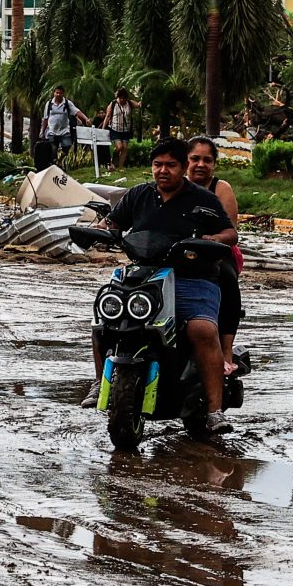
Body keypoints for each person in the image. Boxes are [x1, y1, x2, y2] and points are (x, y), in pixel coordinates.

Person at [88, 141, 240, 433]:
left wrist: (213, 240)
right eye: (158, 164)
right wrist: (100, 232)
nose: (163, 170)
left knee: (202, 329)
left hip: (193, 278)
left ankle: (214, 411)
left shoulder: (202, 199)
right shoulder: (138, 195)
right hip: (143, 275)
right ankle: (98, 383)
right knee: (102, 322)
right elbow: (113, 222)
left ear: (182, 168)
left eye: (170, 165)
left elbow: (229, 232)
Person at [187, 136, 245, 382]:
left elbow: (230, 231)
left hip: (216, 252)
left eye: (207, 160)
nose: (201, 164)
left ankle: (227, 353)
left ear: (214, 165)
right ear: (185, 161)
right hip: (175, 251)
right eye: (195, 158)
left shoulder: (221, 189)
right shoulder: (172, 184)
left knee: (227, 279)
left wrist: (214, 239)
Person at [36, 88, 82, 173]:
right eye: (56, 93)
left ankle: (60, 161)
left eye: (60, 93)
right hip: (52, 131)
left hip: (64, 130)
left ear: (63, 94)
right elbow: (45, 118)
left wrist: (85, 118)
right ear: (54, 93)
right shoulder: (49, 104)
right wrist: (42, 132)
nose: (58, 95)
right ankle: (55, 167)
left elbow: (77, 112)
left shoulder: (67, 103)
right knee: (53, 150)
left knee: (67, 146)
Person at [104, 89, 137, 168]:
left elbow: (138, 105)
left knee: (125, 148)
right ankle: (114, 158)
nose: (122, 100)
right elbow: (108, 116)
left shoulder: (129, 103)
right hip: (115, 129)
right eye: (120, 98)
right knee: (119, 147)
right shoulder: (113, 104)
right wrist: (103, 128)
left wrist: (141, 103)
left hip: (126, 129)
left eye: (124, 98)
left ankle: (120, 166)